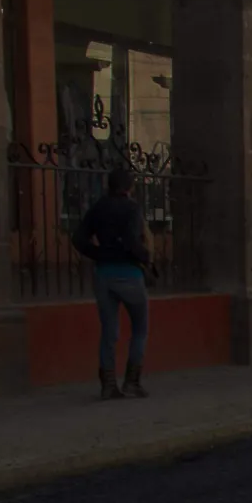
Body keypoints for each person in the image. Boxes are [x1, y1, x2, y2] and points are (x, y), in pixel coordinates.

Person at [73, 166, 153, 400]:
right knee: (140, 329)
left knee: (109, 331)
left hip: (104, 275)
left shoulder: (98, 208)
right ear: (129, 187)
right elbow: (131, 240)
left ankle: (108, 385)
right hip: (129, 274)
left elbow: (78, 238)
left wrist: (98, 253)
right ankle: (132, 382)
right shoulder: (132, 209)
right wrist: (145, 257)